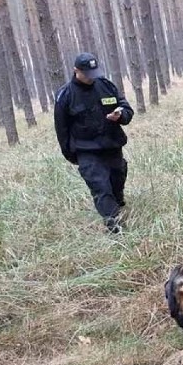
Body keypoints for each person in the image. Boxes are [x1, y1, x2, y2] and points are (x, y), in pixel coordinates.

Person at [54, 52, 134, 234]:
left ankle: (117, 208)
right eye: (87, 74)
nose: (91, 78)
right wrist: (70, 154)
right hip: (87, 151)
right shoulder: (65, 95)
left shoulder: (106, 85)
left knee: (116, 183)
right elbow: (61, 129)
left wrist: (121, 115)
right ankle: (115, 229)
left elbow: (126, 107)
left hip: (112, 146)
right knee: (101, 187)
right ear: (76, 71)